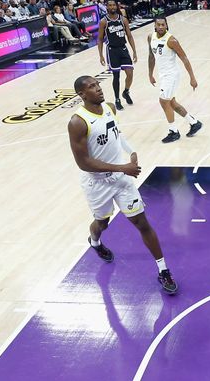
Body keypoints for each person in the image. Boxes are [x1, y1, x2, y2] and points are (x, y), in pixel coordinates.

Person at [67, 75, 177, 294]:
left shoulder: (109, 108)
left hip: (121, 179)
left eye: (98, 85)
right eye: (92, 87)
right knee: (102, 223)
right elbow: (83, 162)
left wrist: (131, 150)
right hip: (97, 183)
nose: (98, 89)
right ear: (82, 94)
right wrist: (122, 168)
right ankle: (95, 242)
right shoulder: (77, 122)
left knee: (142, 223)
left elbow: (116, 134)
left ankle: (163, 270)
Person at [147, 17, 202, 143]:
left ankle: (174, 132)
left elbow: (185, 58)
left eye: (163, 25)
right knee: (171, 102)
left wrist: (192, 77)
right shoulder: (151, 37)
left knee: (163, 101)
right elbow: (151, 56)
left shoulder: (172, 40)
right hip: (163, 75)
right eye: (158, 25)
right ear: (154, 26)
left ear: (166, 25)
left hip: (172, 75)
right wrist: (150, 74)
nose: (161, 27)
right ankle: (194, 123)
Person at [98, 0, 137, 110]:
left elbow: (129, 36)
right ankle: (117, 99)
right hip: (112, 50)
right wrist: (100, 55)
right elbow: (100, 39)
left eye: (114, 5)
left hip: (123, 49)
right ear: (107, 7)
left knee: (130, 73)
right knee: (116, 76)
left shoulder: (123, 19)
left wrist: (134, 51)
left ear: (116, 6)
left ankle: (126, 91)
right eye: (110, 5)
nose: (112, 7)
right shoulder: (103, 21)